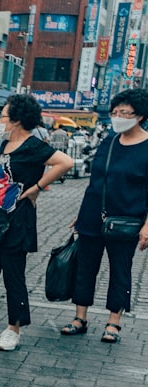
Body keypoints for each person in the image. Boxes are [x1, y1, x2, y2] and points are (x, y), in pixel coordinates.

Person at [0, 94, 73, 351]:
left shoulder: (33, 145)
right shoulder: (5, 144)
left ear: (18, 119)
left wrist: (37, 188)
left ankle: (14, 329)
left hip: (16, 223)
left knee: (13, 276)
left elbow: (65, 162)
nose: (0, 121)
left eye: (4, 117)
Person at [60, 89, 148, 344]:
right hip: (92, 215)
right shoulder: (109, 141)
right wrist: (81, 213)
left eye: (124, 113)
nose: (118, 117)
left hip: (126, 219)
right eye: (115, 112)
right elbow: (96, 181)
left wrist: (146, 225)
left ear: (140, 115)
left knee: (120, 270)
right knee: (85, 267)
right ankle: (80, 317)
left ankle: (114, 322)